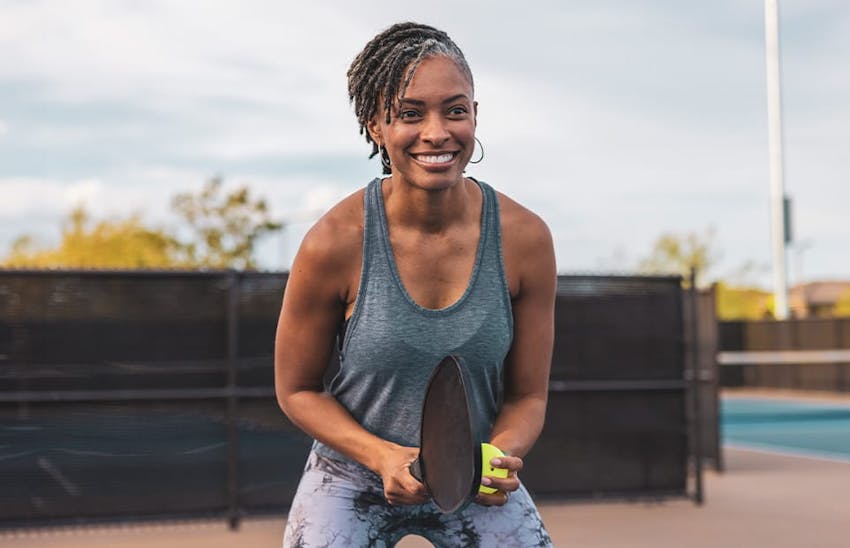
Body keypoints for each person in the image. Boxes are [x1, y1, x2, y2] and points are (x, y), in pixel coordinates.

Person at [275, 22, 556, 547]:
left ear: (475, 115)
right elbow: (296, 390)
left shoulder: (526, 239)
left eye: (455, 109)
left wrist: (496, 456)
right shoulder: (333, 242)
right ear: (376, 125)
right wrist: (383, 456)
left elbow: (527, 395)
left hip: (469, 471)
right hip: (353, 472)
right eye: (410, 113)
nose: (437, 132)